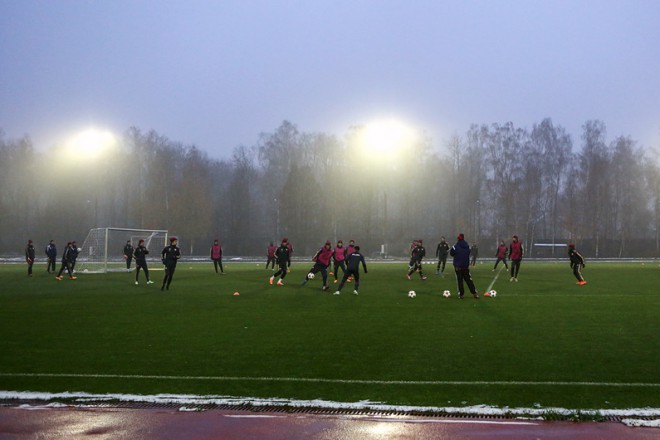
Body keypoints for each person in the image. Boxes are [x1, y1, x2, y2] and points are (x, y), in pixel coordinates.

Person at [450, 233, 479, 299]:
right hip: (465, 266)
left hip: (458, 267)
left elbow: (451, 253)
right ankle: (474, 293)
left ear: (458, 239)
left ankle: (461, 295)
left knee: (460, 281)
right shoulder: (467, 246)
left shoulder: (455, 246)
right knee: (469, 280)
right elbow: (469, 252)